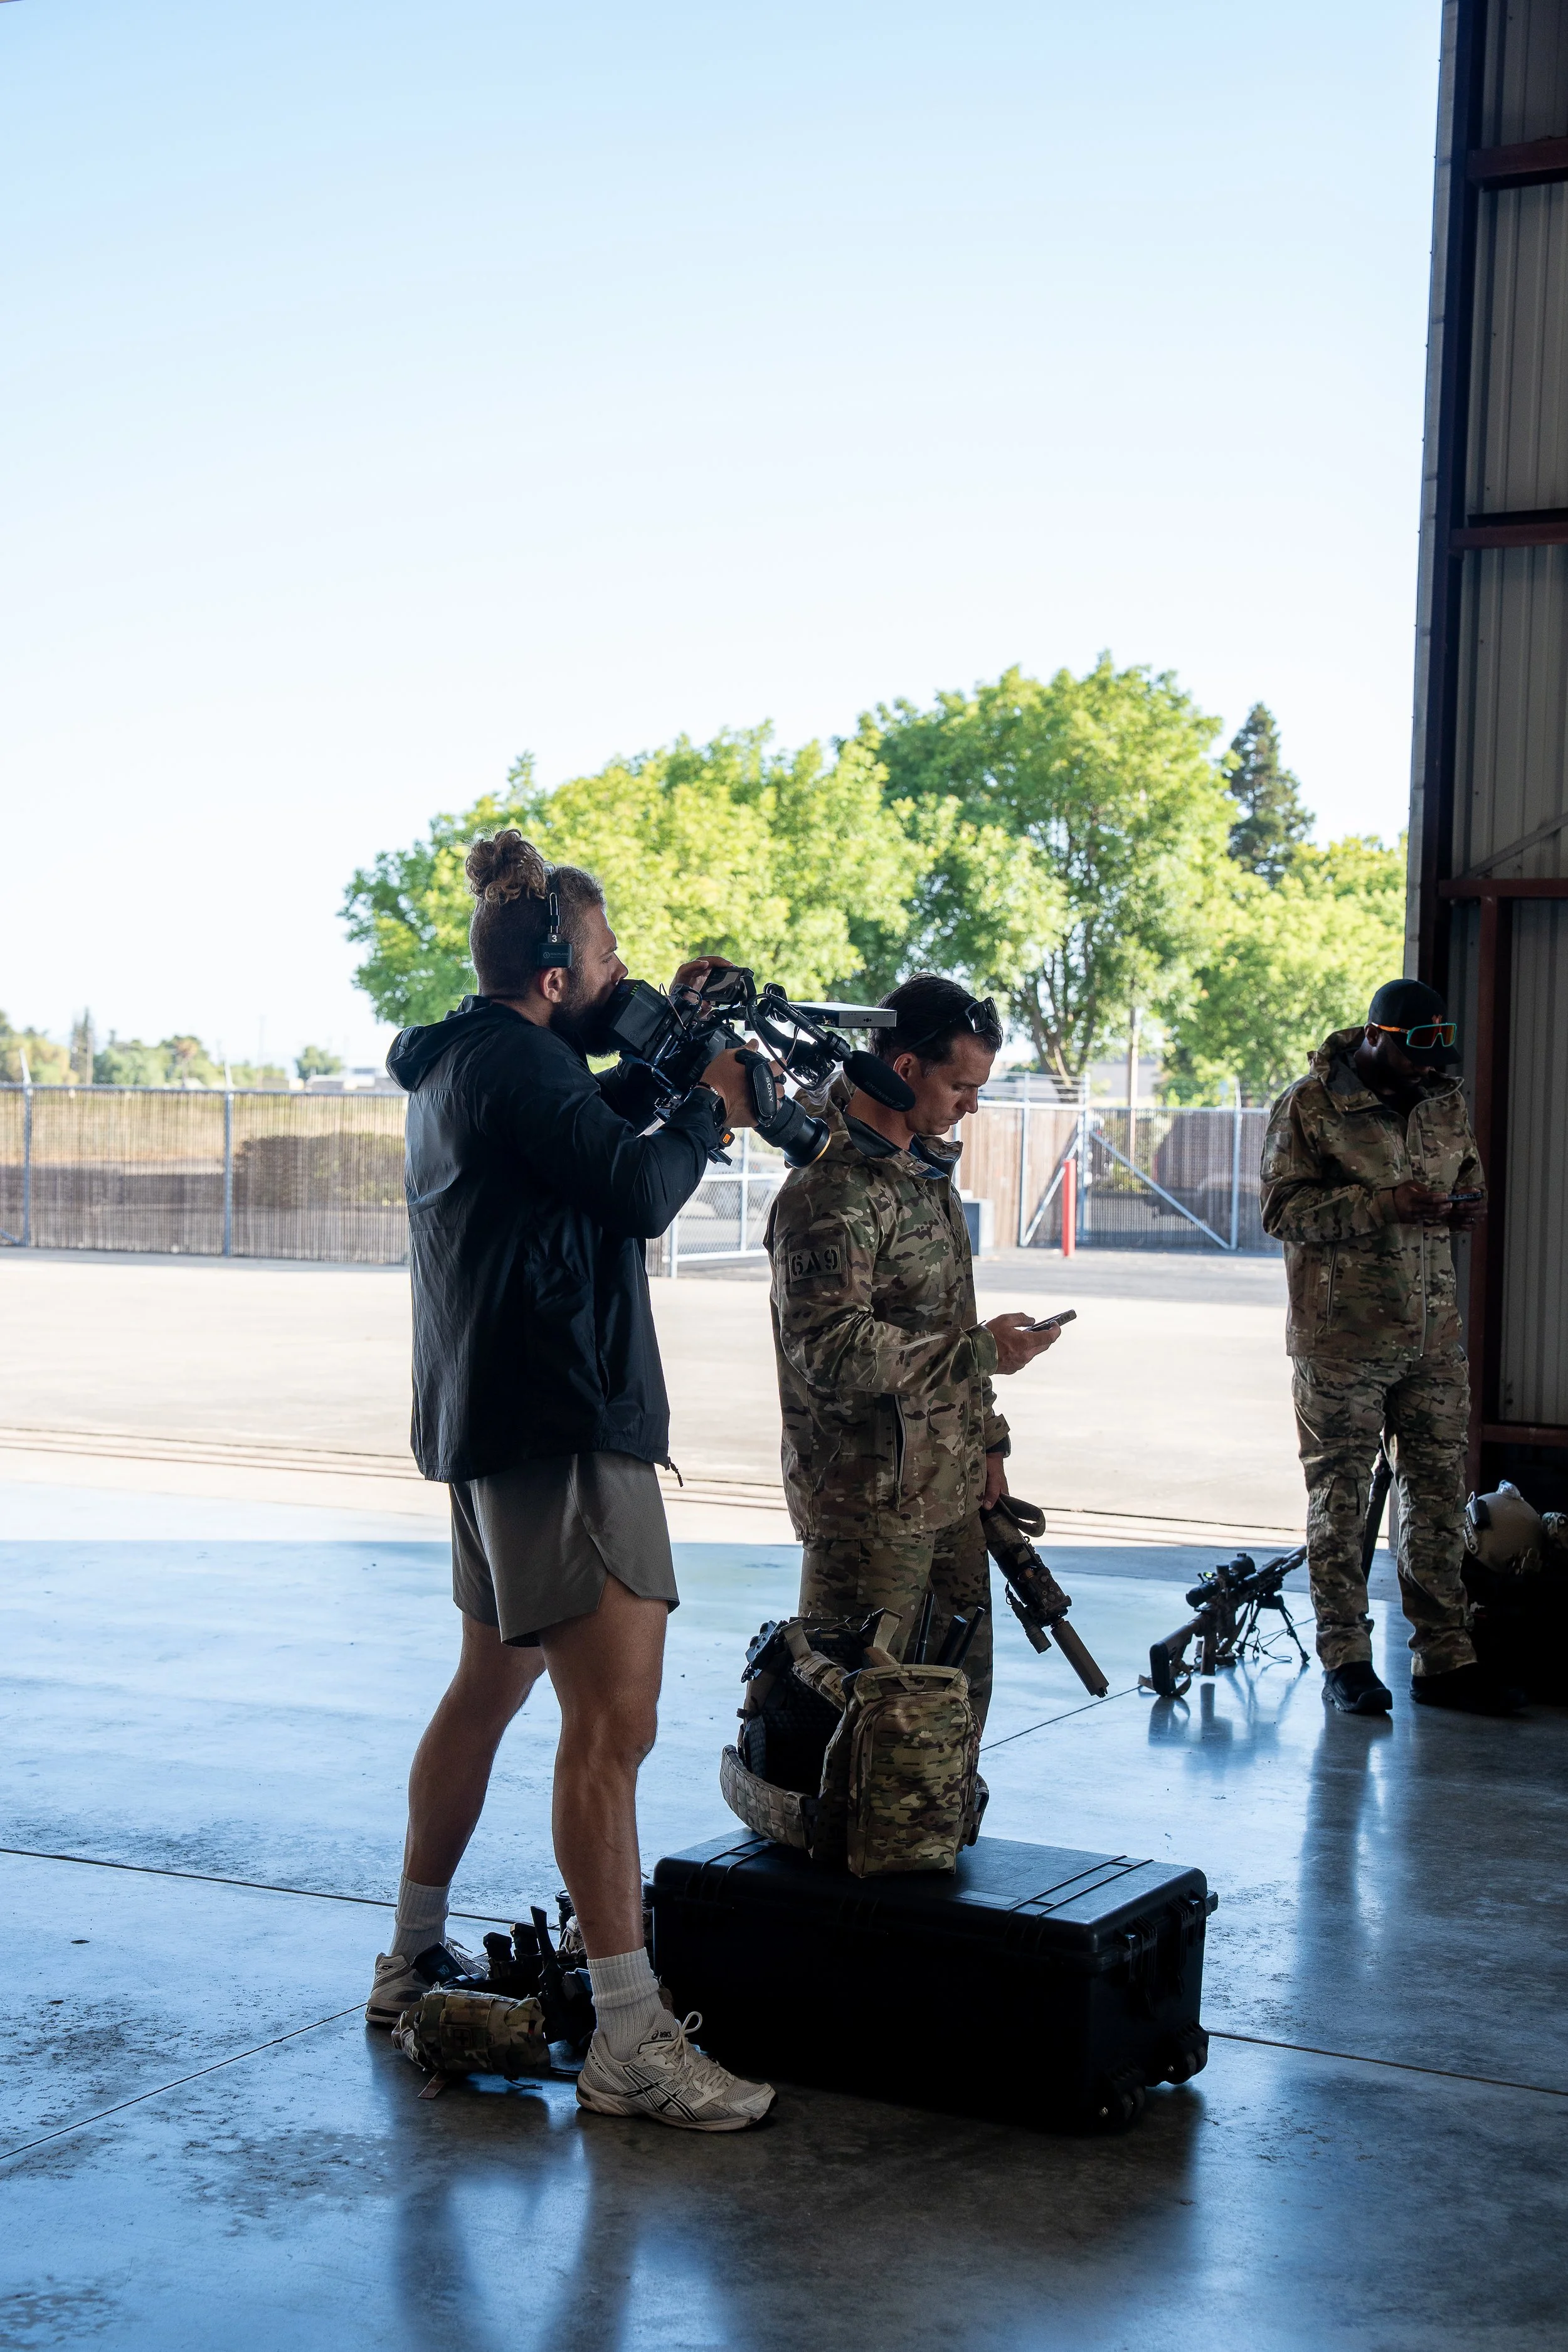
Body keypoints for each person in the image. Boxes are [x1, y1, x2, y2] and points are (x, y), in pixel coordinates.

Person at [366, 829, 776, 2130]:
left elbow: (585, 1134)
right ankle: (631, 2039)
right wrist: (711, 1099)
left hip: (494, 1423)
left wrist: (667, 1048)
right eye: (603, 958)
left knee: (489, 1685)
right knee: (615, 1726)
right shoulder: (512, 1067)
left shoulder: (472, 1064)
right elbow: (640, 1186)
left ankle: (407, 1964)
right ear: (553, 974)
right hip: (561, 1424)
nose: (617, 974)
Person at [764, 974, 1062, 1732]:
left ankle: (938, 1845)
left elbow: (948, 1317)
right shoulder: (830, 1188)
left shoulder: (922, 1171)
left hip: (950, 1487)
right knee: (853, 1719)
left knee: (956, 1706)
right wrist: (977, 1355)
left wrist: (989, 1443)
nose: (971, 1104)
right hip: (866, 1508)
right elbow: (828, 1345)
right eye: (961, 1085)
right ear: (904, 1070)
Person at [1260, 977, 1524, 1717]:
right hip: (1341, 1340)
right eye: (1413, 1049)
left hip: (1431, 1336)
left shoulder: (1442, 1097)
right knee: (1341, 1502)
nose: (1425, 1064)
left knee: (1437, 1496)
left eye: (1435, 1049)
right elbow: (1281, 1210)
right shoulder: (1309, 1105)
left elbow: (1465, 1173)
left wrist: (1460, 1208)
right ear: (1374, 1036)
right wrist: (1383, 1205)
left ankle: (1444, 1656)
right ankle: (1344, 1656)